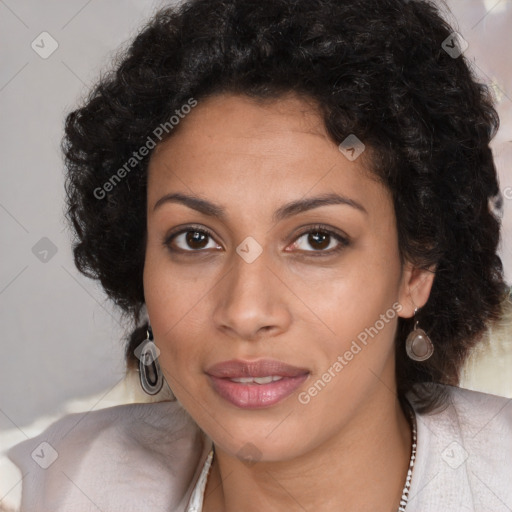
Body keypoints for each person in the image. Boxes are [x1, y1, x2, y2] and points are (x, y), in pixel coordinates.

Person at [7, 0, 512, 510]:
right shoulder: (54, 485)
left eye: (317, 239)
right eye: (195, 239)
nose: (246, 312)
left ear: (415, 271)